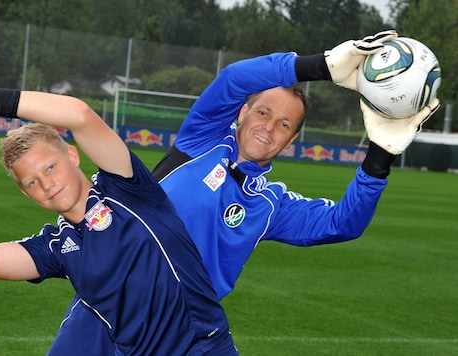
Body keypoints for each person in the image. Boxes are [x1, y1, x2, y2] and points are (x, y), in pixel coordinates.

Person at [40, 30, 441, 354]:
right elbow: (233, 79)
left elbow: (342, 223)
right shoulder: (202, 140)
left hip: (188, 331)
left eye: (285, 125)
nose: (269, 127)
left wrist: (380, 156)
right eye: (264, 112)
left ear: (291, 142)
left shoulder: (270, 204)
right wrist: (322, 66)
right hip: (109, 309)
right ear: (241, 113)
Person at [0, 62, 238, 355]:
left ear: (72, 155)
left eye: (50, 167)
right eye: (32, 183)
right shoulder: (58, 247)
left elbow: (80, 116)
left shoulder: (127, 188)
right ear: (27, 195)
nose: (46, 184)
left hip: (205, 349)